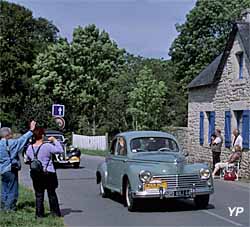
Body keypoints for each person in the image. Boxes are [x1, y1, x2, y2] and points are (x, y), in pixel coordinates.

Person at [26, 127, 63, 218]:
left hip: (36, 174)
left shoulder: (29, 148)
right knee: (51, 193)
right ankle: (55, 213)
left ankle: (39, 214)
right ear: (42, 136)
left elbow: (28, 159)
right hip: (48, 172)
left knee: (39, 195)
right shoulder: (47, 146)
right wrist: (54, 140)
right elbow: (60, 150)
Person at [0, 121, 36, 211]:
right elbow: (22, 139)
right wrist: (31, 130)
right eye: (11, 134)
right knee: (13, 189)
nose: (12, 135)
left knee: (4, 189)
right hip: (11, 169)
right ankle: (10, 208)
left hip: (2, 170)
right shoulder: (12, 143)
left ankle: (2, 206)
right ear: (7, 135)